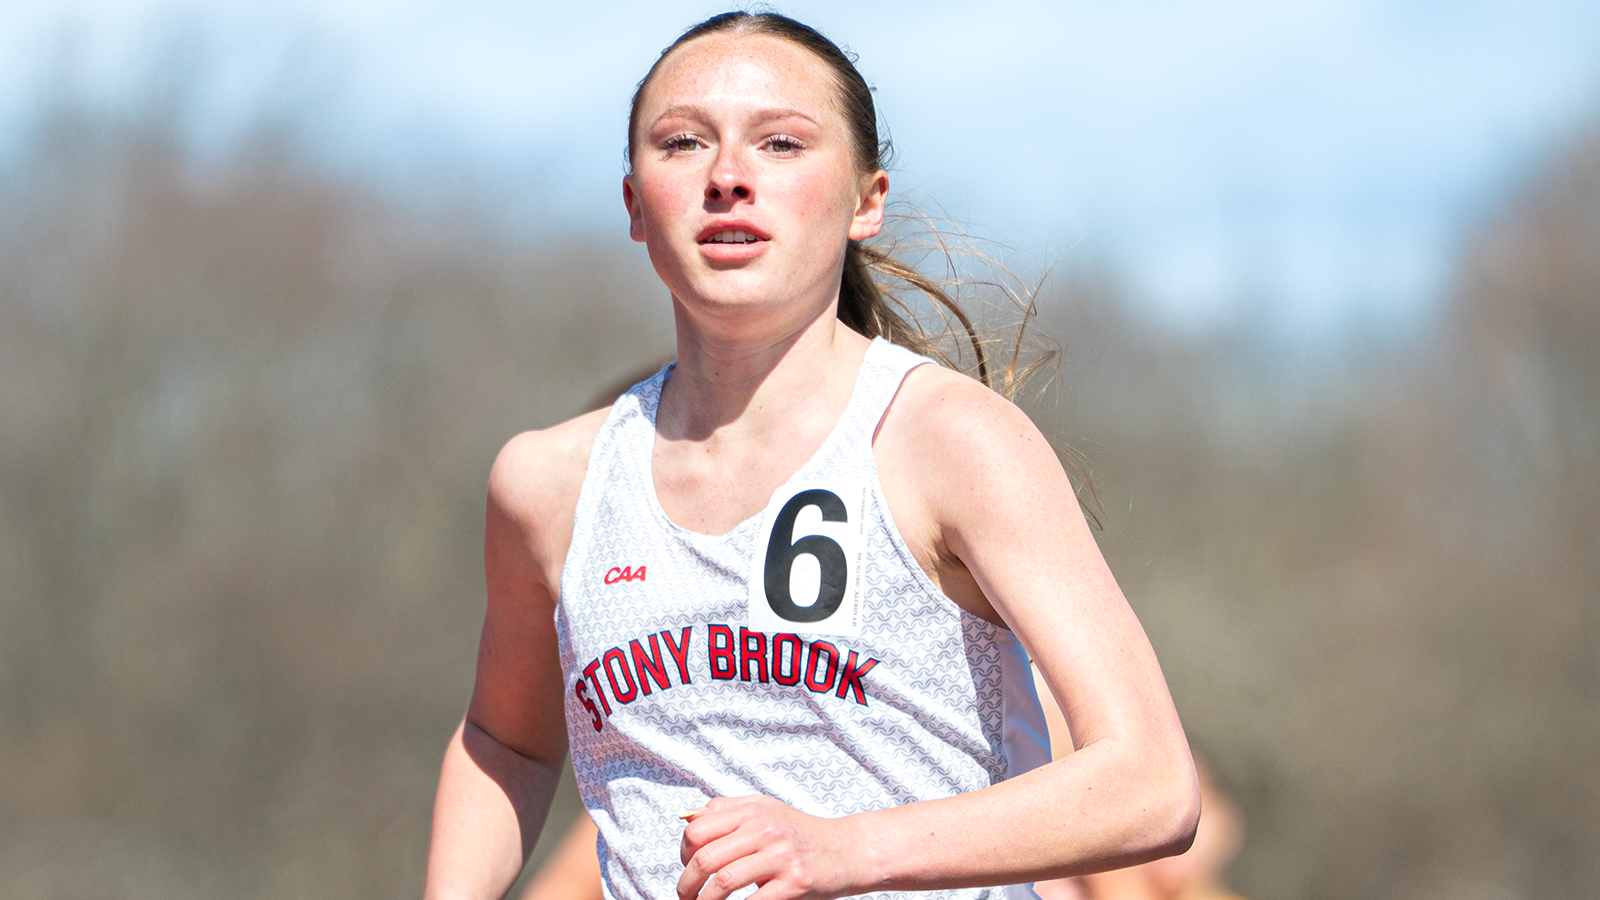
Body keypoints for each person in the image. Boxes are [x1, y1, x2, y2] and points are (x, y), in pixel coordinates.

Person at [423, 12, 1199, 900]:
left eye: (781, 143)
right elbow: (505, 741)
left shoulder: (947, 440)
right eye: (682, 143)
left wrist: (846, 851)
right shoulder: (549, 482)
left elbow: (1151, 785)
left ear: (867, 201)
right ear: (636, 204)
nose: (727, 178)